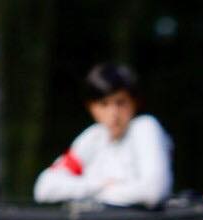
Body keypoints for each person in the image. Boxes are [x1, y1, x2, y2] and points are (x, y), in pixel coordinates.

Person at [32, 63, 172, 208]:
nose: (114, 113)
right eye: (104, 104)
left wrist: (95, 196)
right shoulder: (92, 137)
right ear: (91, 107)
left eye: (120, 102)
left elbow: (153, 191)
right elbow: (44, 188)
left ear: (134, 102)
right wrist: (98, 185)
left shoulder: (145, 128)